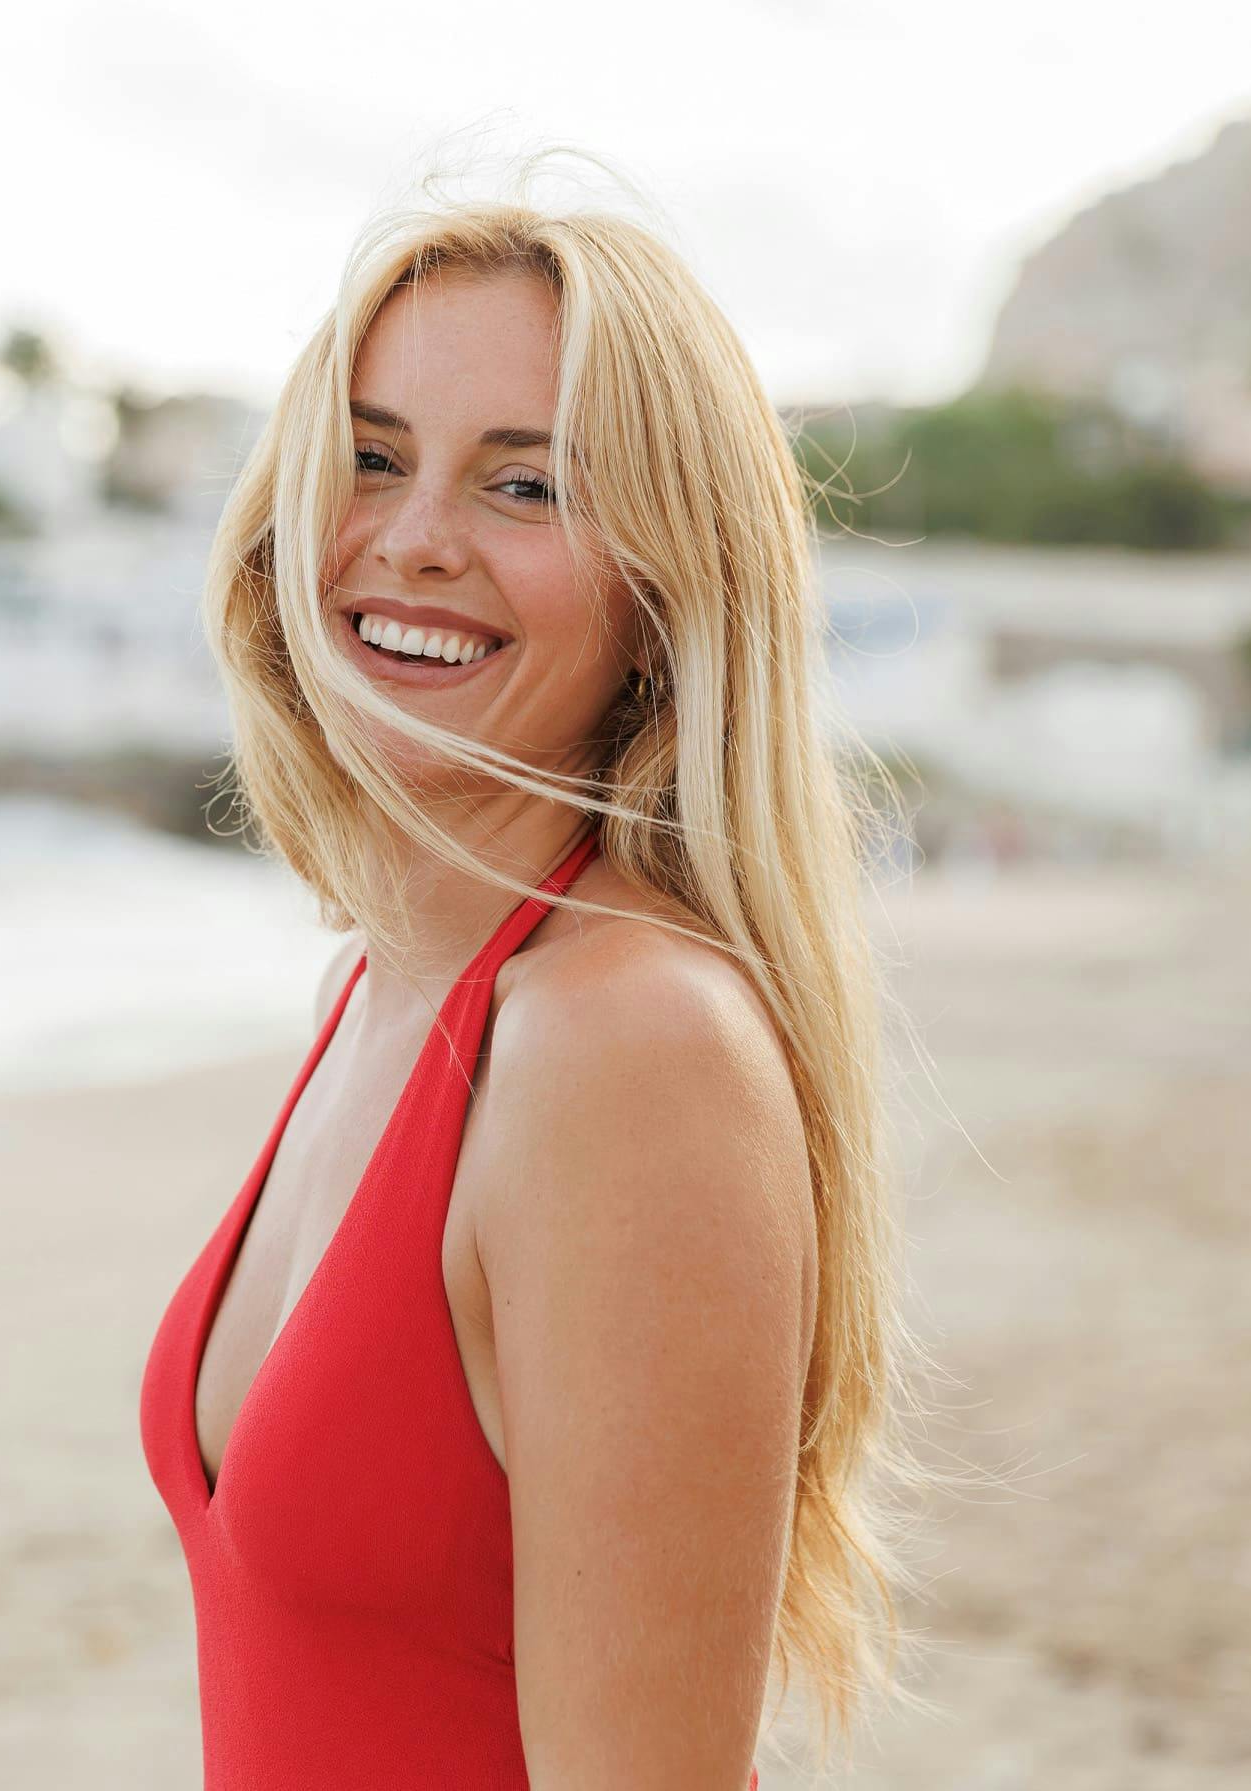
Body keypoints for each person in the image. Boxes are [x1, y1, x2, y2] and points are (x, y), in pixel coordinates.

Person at [138, 158, 926, 1787]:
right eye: (368, 459)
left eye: (522, 486)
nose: (413, 541)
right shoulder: (379, 988)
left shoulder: (627, 1047)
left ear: (663, 591)